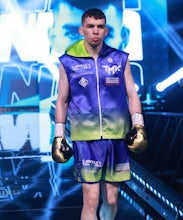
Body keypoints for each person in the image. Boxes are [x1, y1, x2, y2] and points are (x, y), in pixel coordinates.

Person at [52, 8, 147, 220]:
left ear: (105, 30)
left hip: (117, 138)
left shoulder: (120, 59)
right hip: (86, 139)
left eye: (100, 27)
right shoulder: (68, 61)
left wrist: (138, 125)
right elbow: (62, 100)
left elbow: (132, 94)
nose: (95, 31)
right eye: (90, 27)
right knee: (91, 199)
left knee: (112, 199)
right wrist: (59, 136)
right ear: (81, 30)